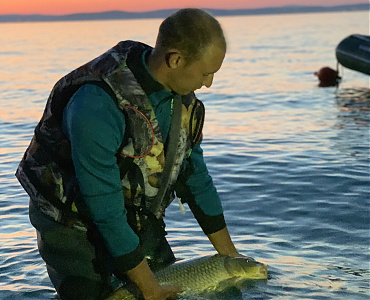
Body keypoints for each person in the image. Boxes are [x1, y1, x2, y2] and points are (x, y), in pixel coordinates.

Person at [16, 8, 243, 300]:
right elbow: (104, 206)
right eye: (205, 73)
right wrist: (149, 289)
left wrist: (233, 259)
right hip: (72, 226)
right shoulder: (96, 104)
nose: (209, 83)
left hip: (134, 216)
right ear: (175, 59)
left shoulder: (182, 100)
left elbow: (195, 176)